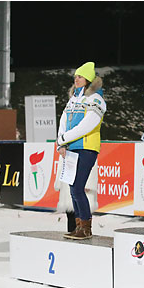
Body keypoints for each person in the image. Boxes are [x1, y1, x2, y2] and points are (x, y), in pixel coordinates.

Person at [57, 61, 106, 241]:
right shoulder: (73, 99)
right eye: (75, 76)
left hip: (87, 148)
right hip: (71, 148)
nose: (75, 79)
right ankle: (78, 226)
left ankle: (86, 227)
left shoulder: (96, 98)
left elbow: (88, 125)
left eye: (79, 76)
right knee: (72, 189)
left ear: (88, 79)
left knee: (78, 188)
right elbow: (63, 119)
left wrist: (64, 138)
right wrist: (61, 142)